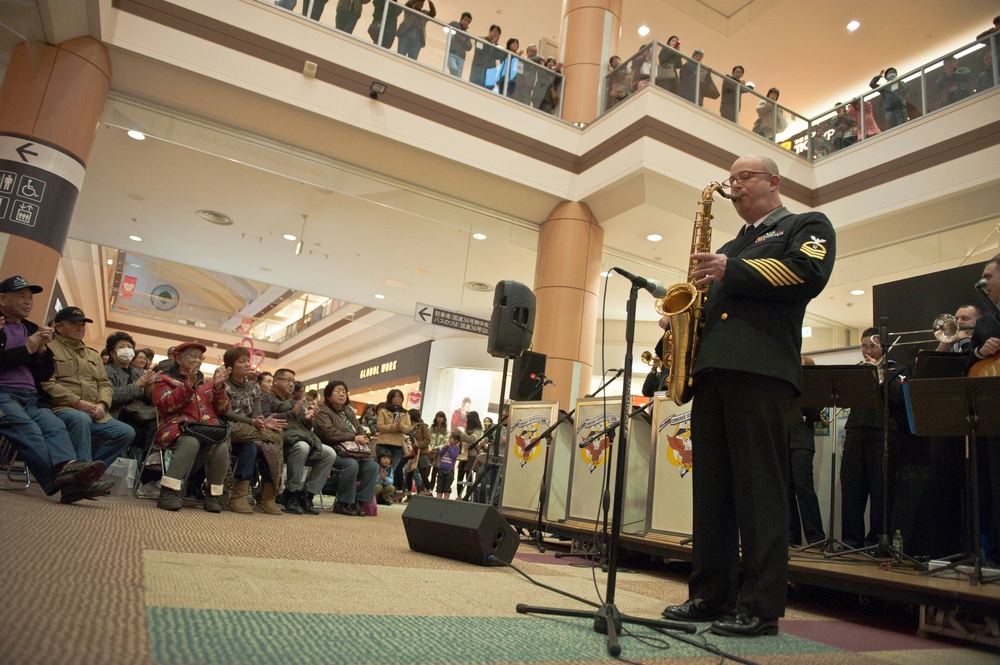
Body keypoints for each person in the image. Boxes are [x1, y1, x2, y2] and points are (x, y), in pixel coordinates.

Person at [661, 155, 836, 637]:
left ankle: (760, 606)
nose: (733, 186)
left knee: (760, 490)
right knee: (712, 492)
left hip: (761, 371)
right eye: (731, 179)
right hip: (712, 374)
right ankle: (710, 595)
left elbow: (807, 273)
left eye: (743, 178)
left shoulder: (805, 224)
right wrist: (677, 327)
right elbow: (711, 309)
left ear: (773, 182)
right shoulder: (732, 244)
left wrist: (730, 269)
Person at [0, 275, 111, 503]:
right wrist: (27, 349)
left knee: (54, 426)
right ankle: (70, 483)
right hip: (4, 394)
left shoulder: (31, 328)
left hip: (31, 396)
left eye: (30, 297)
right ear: (2, 299)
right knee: (28, 430)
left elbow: (43, 374)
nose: (28, 301)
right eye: (21, 296)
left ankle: (71, 474)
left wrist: (40, 352)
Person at [42, 307, 135, 470]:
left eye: (83, 325)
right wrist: (78, 403)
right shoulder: (49, 349)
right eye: (74, 324)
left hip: (94, 411)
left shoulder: (92, 355)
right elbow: (47, 383)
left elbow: (105, 384)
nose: (80, 328)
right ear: (59, 327)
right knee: (81, 419)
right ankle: (81, 476)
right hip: (62, 408)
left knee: (126, 432)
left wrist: (102, 404)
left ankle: (88, 471)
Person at [839, 328, 907, 550]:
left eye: (872, 346)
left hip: (883, 432)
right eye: (864, 346)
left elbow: (898, 399)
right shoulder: (858, 370)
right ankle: (851, 541)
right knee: (851, 489)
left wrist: (878, 375)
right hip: (856, 431)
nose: (867, 351)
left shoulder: (897, 369)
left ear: (883, 347)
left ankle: (878, 541)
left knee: (881, 490)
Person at [151, 342, 232, 513]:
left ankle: (213, 495)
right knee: (191, 442)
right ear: (178, 358)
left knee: (221, 446)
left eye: (200, 357)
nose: (197, 360)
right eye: (192, 356)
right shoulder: (163, 379)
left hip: (205, 431)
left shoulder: (208, 382)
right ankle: (169, 493)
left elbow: (223, 409)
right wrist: (188, 385)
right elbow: (166, 405)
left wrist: (218, 388)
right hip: (176, 429)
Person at [963, 254, 1000, 560]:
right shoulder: (986, 323)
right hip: (992, 413)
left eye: (989, 276)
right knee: (994, 485)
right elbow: (967, 364)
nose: (984, 281)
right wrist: (979, 350)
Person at [261, 367, 335, 515]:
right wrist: (291, 414)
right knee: (302, 446)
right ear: (276, 381)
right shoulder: (266, 398)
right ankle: (292, 492)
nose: (291, 384)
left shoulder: (296, 402)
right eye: (287, 380)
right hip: (278, 441)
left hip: (298, 438)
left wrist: (308, 419)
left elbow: (302, 426)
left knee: (330, 453)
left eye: (293, 381)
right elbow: (266, 418)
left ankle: (307, 494)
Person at [222, 346, 286, 515]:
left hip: (250, 433)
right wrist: (252, 421)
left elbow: (257, 414)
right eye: (242, 361)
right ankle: (237, 496)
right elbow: (225, 413)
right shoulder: (224, 385)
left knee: (265, 445)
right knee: (274, 438)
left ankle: (265, 497)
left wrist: (262, 421)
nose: (247, 364)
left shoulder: (254, 388)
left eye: (248, 361)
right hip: (228, 428)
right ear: (230, 366)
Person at [313, 380, 380, 516]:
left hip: (353, 451)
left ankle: (359, 502)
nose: (341, 394)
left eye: (344, 391)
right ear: (328, 394)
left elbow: (360, 429)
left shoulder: (347, 411)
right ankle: (343, 503)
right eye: (337, 391)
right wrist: (353, 437)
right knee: (351, 464)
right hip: (332, 450)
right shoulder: (322, 410)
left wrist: (364, 436)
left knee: (372, 466)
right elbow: (328, 432)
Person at [788, 356, 826, 547]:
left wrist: (803, 395)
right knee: (786, 490)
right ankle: (790, 537)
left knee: (803, 488)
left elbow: (817, 415)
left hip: (802, 442)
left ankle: (816, 539)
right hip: (784, 440)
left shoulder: (812, 389)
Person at [103, 331, 159, 459]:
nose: (127, 350)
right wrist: (137, 386)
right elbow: (110, 396)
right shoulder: (106, 371)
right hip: (115, 416)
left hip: (140, 416)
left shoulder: (139, 373)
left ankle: (148, 464)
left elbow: (148, 400)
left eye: (129, 347)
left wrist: (149, 387)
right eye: (122, 347)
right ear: (112, 353)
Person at [376, 388, 412, 490]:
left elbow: (408, 428)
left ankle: (387, 493)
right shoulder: (383, 411)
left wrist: (400, 426)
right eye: (396, 397)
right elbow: (380, 427)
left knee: (391, 470)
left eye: (400, 397)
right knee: (380, 469)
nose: (398, 399)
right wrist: (394, 426)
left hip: (398, 446)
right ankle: (376, 492)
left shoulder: (405, 413)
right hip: (383, 444)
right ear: (390, 398)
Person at [456, 410, 483, 499]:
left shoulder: (478, 431)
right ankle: (459, 496)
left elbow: (471, 439)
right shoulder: (466, 429)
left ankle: (467, 497)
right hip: (464, 454)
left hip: (472, 455)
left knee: (469, 477)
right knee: (460, 476)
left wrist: (461, 433)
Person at [404, 408, 431, 494]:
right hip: (411, 453)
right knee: (409, 473)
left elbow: (427, 440)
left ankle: (428, 490)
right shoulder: (408, 426)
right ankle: (409, 493)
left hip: (422, 453)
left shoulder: (422, 426)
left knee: (423, 473)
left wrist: (417, 445)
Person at [469, 24, 503, 89]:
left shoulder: (496, 46)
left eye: (498, 34)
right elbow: (480, 50)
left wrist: (495, 44)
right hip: (478, 72)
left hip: (490, 74)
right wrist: (491, 43)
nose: (496, 35)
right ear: (490, 31)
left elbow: (500, 56)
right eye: (495, 32)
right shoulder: (480, 39)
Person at [435, 430, 462, 498]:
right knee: (439, 485)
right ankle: (438, 498)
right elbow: (440, 454)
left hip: (449, 470)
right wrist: (445, 447)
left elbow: (453, 456)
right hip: (442, 467)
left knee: (447, 486)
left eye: (451, 438)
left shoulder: (457, 448)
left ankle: (446, 499)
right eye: (449, 438)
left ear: (456, 441)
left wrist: (449, 447)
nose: (449, 439)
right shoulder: (446, 447)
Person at [446, 11, 473, 77]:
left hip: (461, 58)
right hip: (452, 54)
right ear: (461, 19)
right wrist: (459, 35)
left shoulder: (467, 35)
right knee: (454, 69)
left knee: (458, 77)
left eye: (468, 22)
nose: (466, 23)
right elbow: (449, 26)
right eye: (465, 20)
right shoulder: (454, 24)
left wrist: (464, 41)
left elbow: (469, 47)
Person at [427, 410, 449, 491]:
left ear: (444, 419)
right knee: (426, 472)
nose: (440, 419)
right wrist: (430, 447)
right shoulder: (430, 428)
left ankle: (430, 490)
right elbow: (427, 438)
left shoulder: (446, 431)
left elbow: (446, 442)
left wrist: (438, 447)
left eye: (441, 417)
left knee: (434, 474)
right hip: (429, 452)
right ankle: (423, 489)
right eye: (438, 417)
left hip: (439, 454)